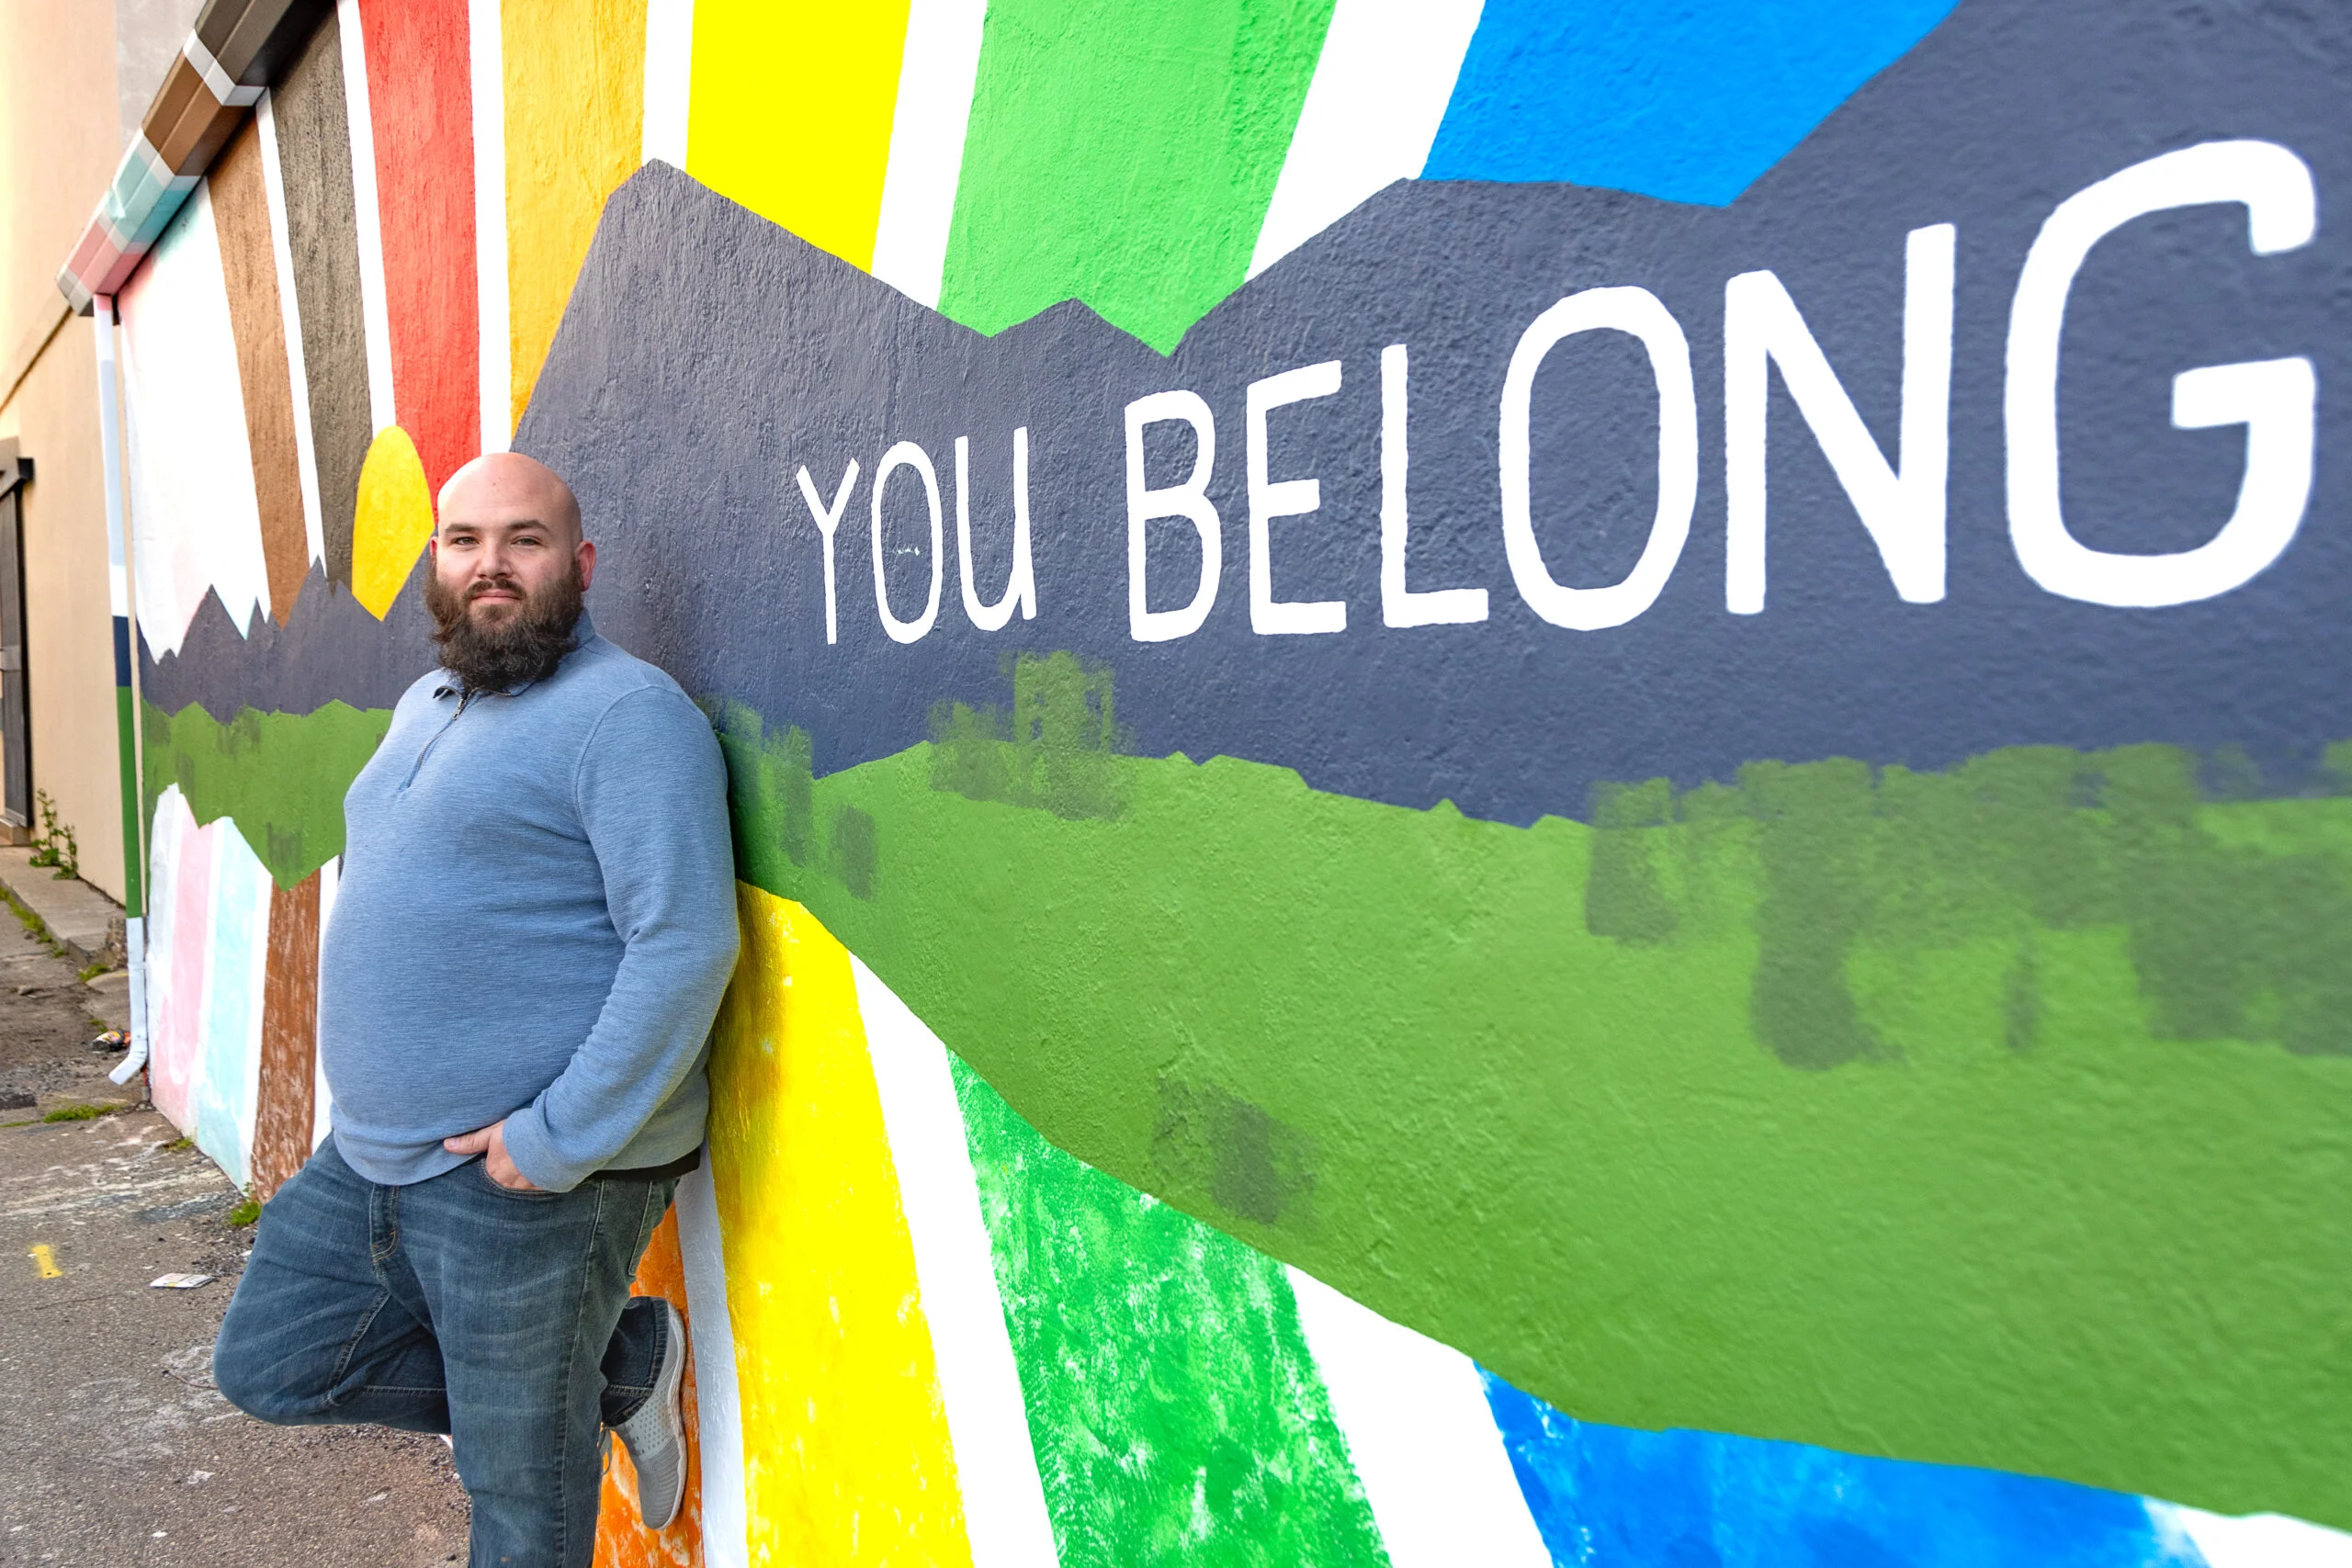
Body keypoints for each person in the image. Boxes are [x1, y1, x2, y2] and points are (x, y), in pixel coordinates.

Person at [211, 452, 740, 1567]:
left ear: (580, 565)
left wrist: (551, 1143)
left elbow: (683, 941)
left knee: (517, 1505)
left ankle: (563, 1400)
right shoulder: (430, 697)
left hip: (531, 1183)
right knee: (270, 1364)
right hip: (376, 1158)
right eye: (463, 541)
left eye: (525, 540)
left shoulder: (629, 716)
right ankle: (615, 1373)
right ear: (436, 562)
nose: (489, 564)